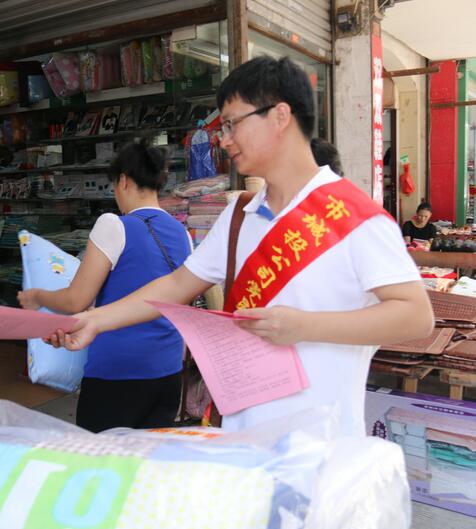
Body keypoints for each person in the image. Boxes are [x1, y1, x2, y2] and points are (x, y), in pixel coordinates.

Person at [50, 56, 434, 437]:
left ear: (280, 116)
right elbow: (176, 285)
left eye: (232, 123)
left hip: (318, 444)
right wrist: (93, 321)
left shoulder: (354, 217)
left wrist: (304, 326)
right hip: (241, 435)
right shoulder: (240, 215)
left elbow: (416, 316)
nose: (223, 139)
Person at [18, 141, 192, 432]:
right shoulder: (182, 233)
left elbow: (76, 300)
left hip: (117, 373)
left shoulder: (114, 225)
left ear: (122, 180)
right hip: (168, 371)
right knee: (146, 457)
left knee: (102, 456)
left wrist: (37, 296)